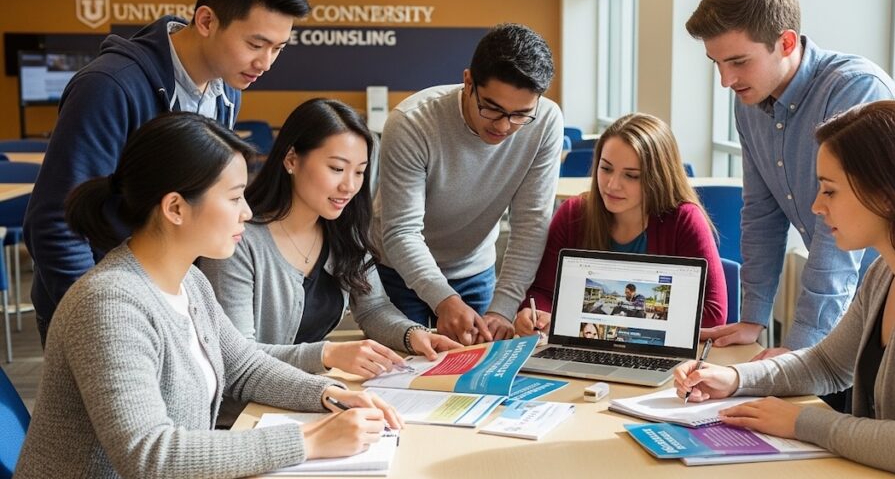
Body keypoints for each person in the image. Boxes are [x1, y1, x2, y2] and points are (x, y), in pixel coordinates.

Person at [16, 113, 403, 478]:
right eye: (235, 197)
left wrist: (330, 395)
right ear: (176, 208)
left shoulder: (191, 283)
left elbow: (245, 367)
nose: (247, 213)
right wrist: (311, 439)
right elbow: (149, 454)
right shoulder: (109, 304)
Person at [674, 101, 895, 478]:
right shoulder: (886, 272)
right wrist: (736, 379)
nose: (816, 207)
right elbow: (827, 364)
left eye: (830, 191)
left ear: (886, 195)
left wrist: (801, 422)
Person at [25, 0, 309, 345]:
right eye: (255, 44)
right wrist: (101, 322)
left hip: (166, 303)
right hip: (101, 312)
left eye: (278, 48)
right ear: (207, 20)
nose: (265, 62)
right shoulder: (111, 86)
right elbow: (55, 222)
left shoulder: (227, 89)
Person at [197, 98, 459, 423]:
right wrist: (327, 353)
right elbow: (238, 356)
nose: (349, 186)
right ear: (292, 159)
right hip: (246, 416)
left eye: (360, 172)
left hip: (308, 403)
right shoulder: (238, 241)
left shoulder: (344, 233)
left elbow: (374, 308)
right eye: (336, 168)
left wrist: (412, 335)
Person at [685, 0, 895, 359]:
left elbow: (837, 238)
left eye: (738, 61)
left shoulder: (856, 90)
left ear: (785, 42)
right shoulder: (748, 103)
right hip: (846, 307)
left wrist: (800, 348)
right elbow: (761, 215)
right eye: (716, 63)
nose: (725, 80)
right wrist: (754, 316)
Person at [372, 23, 564, 346]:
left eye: (520, 114)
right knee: (404, 375)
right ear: (468, 82)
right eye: (492, 108)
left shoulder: (545, 123)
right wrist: (443, 298)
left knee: (472, 374)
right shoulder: (412, 123)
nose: (504, 126)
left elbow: (531, 224)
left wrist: (503, 308)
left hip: (473, 270)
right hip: (397, 271)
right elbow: (401, 231)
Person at [513, 113, 727, 337]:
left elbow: (713, 315)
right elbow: (542, 293)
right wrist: (536, 314)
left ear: (658, 178)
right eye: (605, 169)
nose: (612, 185)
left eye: (632, 176)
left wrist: (589, 320)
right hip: (587, 344)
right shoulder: (573, 214)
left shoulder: (684, 219)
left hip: (656, 353)